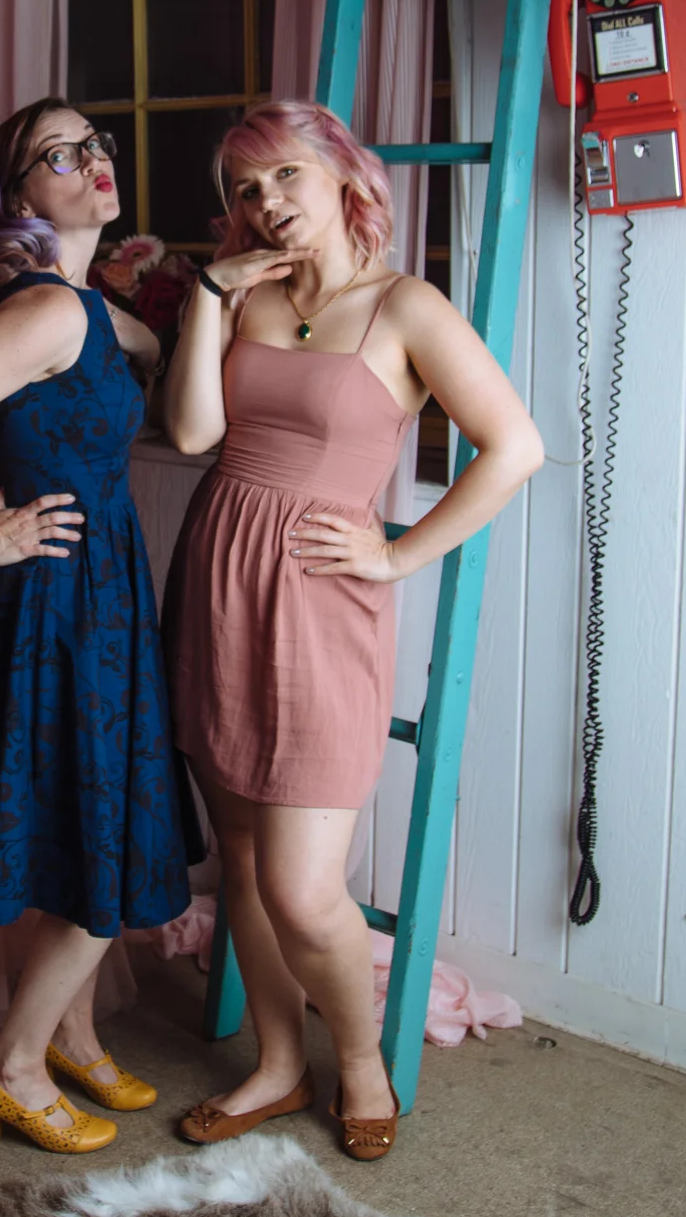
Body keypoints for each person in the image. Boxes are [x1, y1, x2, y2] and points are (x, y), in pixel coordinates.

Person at [162, 100, 543, 1160]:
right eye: (247, 189)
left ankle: (361, 1060)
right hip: (217, 582)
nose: (267, 203)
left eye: (285, 175)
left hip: (322, 605)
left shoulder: (406, 306)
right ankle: (279, 1065)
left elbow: (515, 447)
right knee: (241, 859)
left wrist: (399, 555)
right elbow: (192, 432)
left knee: (301, 886)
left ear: (341, 173)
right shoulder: (245, 295)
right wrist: (207, 294)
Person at [0, 98, 200, 1154]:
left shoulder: (80, 306)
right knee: (102, 836)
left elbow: (141, 347)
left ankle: (70, 1035)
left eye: (94, 143)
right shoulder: (50, 314)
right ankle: (11, 1069)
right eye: (57, 155)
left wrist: (202, 298)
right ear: (17, 195)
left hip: (92, 587)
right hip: (55, 593)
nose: (91, 160)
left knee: (77, 823)